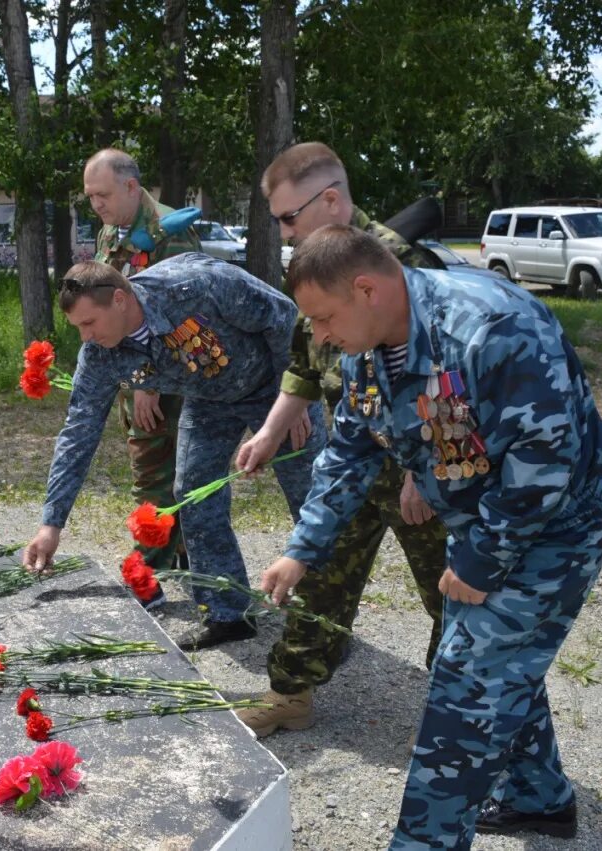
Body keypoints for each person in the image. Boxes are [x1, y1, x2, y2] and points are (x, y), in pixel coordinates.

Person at [260, 224, 602, 848]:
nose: (317, 336)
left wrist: (483, 561)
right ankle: (541, 799)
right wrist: (302, 548)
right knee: (498, 664)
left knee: (466, 682)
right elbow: (349, 453)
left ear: (366, 289)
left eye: (322, 318)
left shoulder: (492, 328)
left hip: (561, 526)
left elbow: (545, 460)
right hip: (482, 522)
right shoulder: (365, 352)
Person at [232, 142, 448, 738]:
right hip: (353, 463)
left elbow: (443, 377)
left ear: (330, 200)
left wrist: (420, 471)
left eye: (288, 218)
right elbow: (306, 364)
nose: (282, 231)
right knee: (317, 575)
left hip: (419, 472)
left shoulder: (404, 266)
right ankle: (290, 693)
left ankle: (460, 712)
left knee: (448, 593)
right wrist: (273, 431)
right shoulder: (315, 267)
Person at [22, 255, 323, 651]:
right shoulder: (100, 355)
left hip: (275, 387)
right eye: (78, 328)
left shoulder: (196, 287)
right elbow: (78, 432)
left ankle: (326, 617)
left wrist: (297, 397)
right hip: (209, 397)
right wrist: (51, 524)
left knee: (312, 497)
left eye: (89, 324)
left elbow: (284, 318)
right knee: (194, 491)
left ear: (119, 299)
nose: (85, 338)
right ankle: (227, 613)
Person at [84, 149, 202, 604]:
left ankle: (146, 579)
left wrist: (147, 383)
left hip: (168, 383)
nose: (96, 204)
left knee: (153, 477)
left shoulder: (171, 233)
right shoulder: (110, 232)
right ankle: (201, 569)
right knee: (178, 479)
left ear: (132, 187)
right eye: (91, 196)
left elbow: (180, 315)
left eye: (103, 194)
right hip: (133, 379)